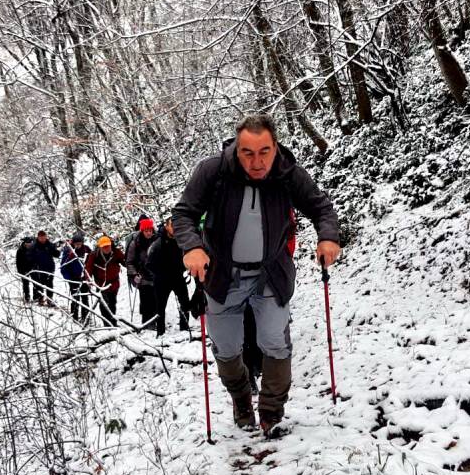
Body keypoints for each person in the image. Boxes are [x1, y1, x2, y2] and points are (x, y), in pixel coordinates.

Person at [173, 113, 341, 436]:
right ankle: (240, 398)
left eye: (264, 151)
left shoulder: (287, 174)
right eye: (248, 152)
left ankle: (271, 411)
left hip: (270, 275)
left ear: (275, 146)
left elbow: (321, 207)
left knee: (275, 340)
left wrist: (328, 236)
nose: (257, 161)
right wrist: (192, 246)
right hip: (222, 277)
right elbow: (184, 213)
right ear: (237, 149)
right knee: (226, 346)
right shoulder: (214, 172)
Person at [146, 217, 192, 337]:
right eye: (172, 225)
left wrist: (184, 268)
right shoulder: (158, 243)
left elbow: (187, 256)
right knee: (160, 307)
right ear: (166, 226)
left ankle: (185, 329)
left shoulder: (181, 240)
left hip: (178, 278)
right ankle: (160, 333)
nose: (175, 228)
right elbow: (149, 264)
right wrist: (162, 274)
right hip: (162, 281)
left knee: (185, 304)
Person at [125, 215, 159, 329]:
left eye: (150, 230)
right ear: (142, 230)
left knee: (156, 300)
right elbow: (129, 262)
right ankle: (146, 323)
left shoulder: (157, 240)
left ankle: (156, 321)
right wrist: (134, 274)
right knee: (145, 301)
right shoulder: (136, 243)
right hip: (142, 276)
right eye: (146, 231)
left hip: (156, 275)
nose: (149, 233)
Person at [86, 235, 125, 326]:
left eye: (108, 246)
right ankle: (106, 323)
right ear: (100, 247)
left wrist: (133, 268)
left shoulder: (116, 252)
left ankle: (113, 322)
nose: (107, 248)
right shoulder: (94, 255)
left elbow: (125, 261)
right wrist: (88, 279)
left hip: (114, 283)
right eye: (104, 247)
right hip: (101, 284)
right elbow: (89, 268)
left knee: (112, 303)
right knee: (103, 304)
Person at [60, 230, 92, 323]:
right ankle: (74, 317)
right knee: (75, 298)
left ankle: (85, 317)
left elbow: (92, 261)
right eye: (76, 244)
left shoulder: (87, 249)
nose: (78, 246)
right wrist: (68, 278)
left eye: (79, 243)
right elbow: (63, 266)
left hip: (84, 278)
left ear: (82, 243)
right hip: (73, 279)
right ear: (73, 243)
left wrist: (89, 275)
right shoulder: (69, 251)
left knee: (85, 298)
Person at [28, 230, 58, 306]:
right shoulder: (33, 246)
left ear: (46, 237)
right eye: (41, 237)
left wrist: (57, 251)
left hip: (49, 268)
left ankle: (49, 300)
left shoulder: (50, 245)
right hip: (38, 269)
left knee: (50, 285)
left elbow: (56, 254)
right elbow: (29, 257)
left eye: (44, 237)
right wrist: (33, 266)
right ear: (38, 237)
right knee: (39, 285)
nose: (42, 239)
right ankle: (40, 299)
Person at [15, 235, 35, 303]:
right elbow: (18, 262)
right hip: (24, 270)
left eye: (30, 243)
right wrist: (20, 271)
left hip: (33, 269)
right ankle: (27, 297)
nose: (29, 245)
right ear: (24, 243)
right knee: (25, 284)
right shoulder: (20, 250)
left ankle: (36, 297)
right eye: (27, 243)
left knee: (36, 284)